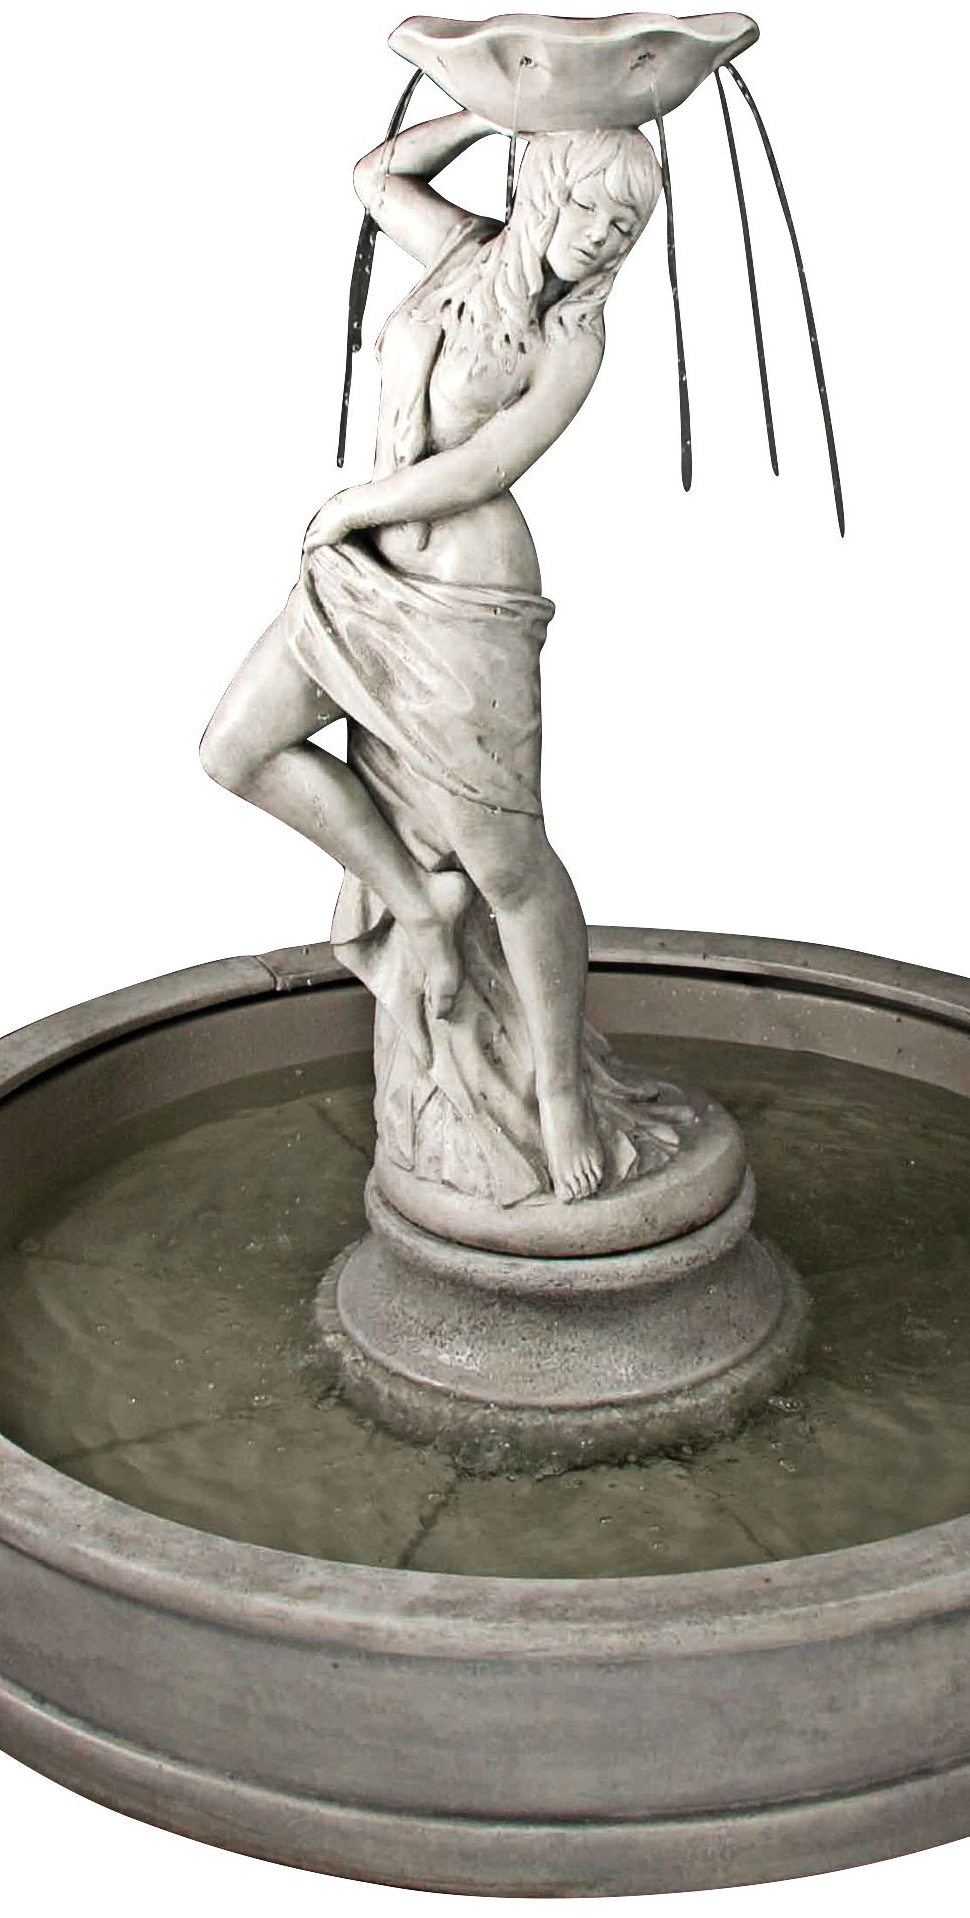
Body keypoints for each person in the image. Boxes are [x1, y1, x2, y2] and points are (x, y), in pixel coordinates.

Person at [200, 109, 663, 1204]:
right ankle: (415, 905)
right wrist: (499, 105)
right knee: (235, 748)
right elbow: (374, 175)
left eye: (627, 224)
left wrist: (354, 506)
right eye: (591, 206)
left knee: (510, 863)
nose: (604, 237)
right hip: (366, 580)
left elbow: (487, 464)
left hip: (465, 599)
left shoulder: (572, 342)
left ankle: (558, 1089)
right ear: (543, 185)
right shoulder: (461, 251)